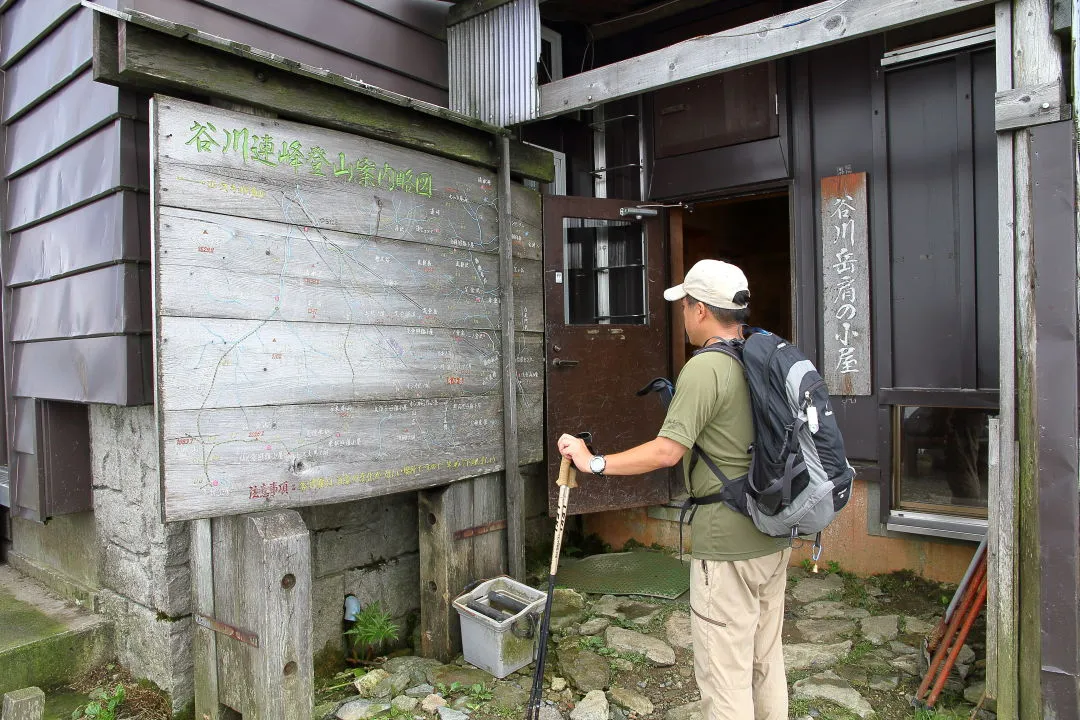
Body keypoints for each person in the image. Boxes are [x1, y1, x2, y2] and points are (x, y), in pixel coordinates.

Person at [557, 259, 791, 720]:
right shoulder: (763, 357)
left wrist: (593, 462)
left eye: (685, 305)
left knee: (724, 675)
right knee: (765, 660)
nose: (682, 314)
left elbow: (667, 452)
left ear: (700, 309)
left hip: (726, 545)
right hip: (774, 529)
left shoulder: (707, 369)